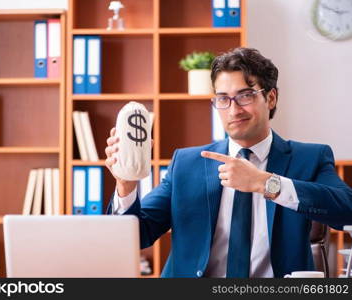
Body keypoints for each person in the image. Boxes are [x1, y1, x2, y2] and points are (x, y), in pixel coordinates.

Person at [104, 47, 352, 278]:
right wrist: (126, 185)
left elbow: (347, 210)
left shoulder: (308, 158)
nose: (233, 110)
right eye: (223, 99)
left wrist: (267, 184)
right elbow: (138, 234)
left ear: (271, 98)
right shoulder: (188, 163)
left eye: (245, 96)